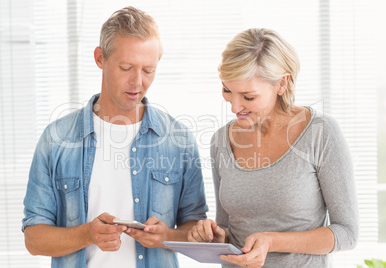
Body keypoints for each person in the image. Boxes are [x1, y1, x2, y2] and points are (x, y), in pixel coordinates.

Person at [22, 6, 208, 268]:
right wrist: (87, 234)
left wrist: (166, 236)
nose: (138, 82)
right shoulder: (57, 139)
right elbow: (34, 239)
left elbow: (195, 231)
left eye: (148, 70)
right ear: (100, 58)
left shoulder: (178, 140)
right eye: (126, 67)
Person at [187, 28, 359, 268]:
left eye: (248, 97)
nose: (235, 107)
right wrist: (218, 237)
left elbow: (347, 233)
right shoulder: (221, 141)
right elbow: (228, 226)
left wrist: (272, 241)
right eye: (227, 90)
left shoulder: (320, 133)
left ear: (282, 83)